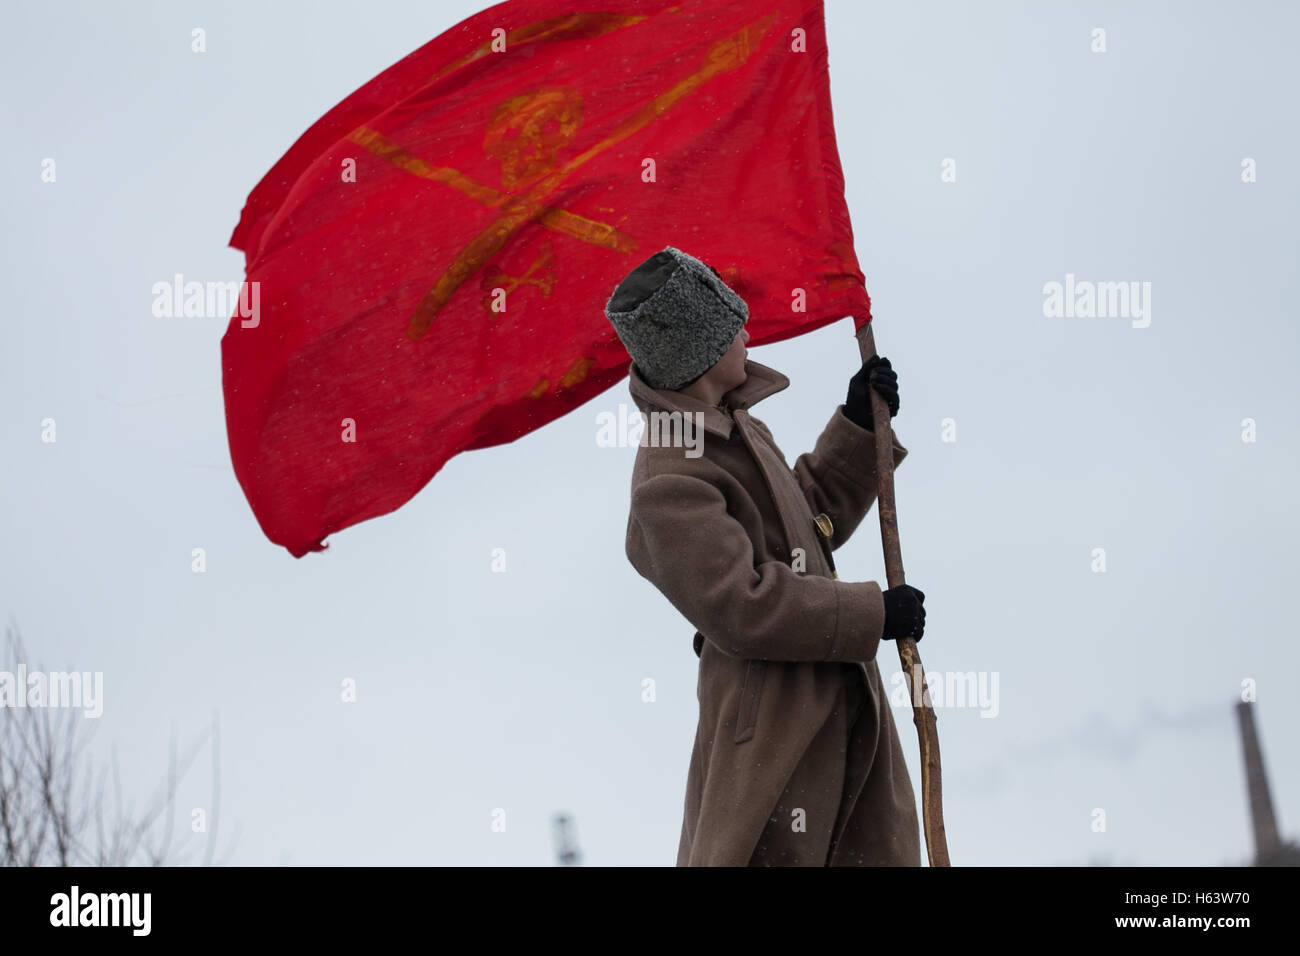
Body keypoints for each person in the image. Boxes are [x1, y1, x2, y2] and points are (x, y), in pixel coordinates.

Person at [605, 246, 928, 867]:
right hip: (777, 742)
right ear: (702, 350)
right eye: (733, 326)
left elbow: (807, 527)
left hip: (834, 704)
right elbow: (743, 606)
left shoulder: (737, 428)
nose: (748, 333)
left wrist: (859, 426)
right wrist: (871, 614)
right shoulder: (667, 477)